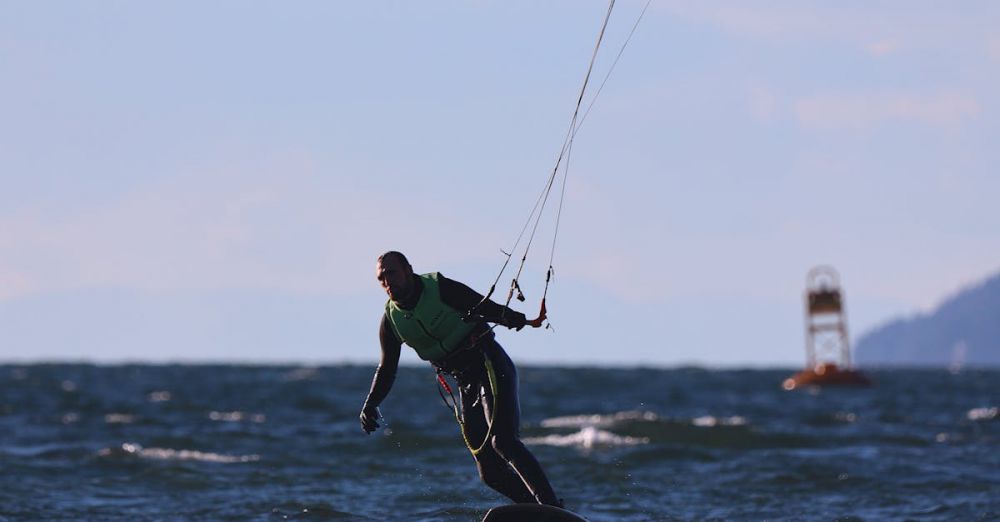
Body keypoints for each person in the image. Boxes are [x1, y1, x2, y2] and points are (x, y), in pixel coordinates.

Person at [360, 251, 561, 507]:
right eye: (381, 278)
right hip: (465, 382)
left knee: (503, 441)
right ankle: (537, 511)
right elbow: (387, 368)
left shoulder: (439, 288)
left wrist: (519, 319)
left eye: (391, 273)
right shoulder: (392, 321)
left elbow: (481, 305)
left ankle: (550, 506)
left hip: (489, 364)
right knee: (489, 472)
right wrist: (371, 403)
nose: (387, 282)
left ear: (408, 270)